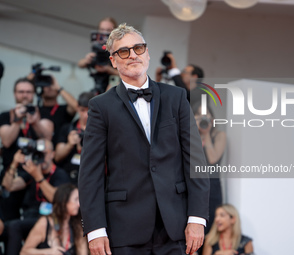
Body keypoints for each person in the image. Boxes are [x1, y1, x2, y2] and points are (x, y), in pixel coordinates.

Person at [78, 23, 210, 255]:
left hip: (176, 226)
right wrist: (95, 230)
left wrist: (197, 217)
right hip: (123, 227)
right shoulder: (100, 106)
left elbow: (196, 161)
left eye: (138, 48)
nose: (132, 55)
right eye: (123, 51)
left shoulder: (176, 97)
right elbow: (90, 173)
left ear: (147, 53)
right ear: (113, 60)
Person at [2, 139, 70, 255]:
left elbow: (57, 198)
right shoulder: (33, 170)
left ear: (52, 154)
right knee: (7, 227)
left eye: (44, 153)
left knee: (15, 226)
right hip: (31, 215)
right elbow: (9, 186)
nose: (41, 157)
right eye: (37, 153)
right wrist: (14, 163)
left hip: (52, 218)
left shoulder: (59, 174)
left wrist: (38, 177)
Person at [0, 77, 53, 222]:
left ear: (34, 94)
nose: (25, 95)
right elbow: (6, 141)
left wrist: (35, 122)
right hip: (12, 171)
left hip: (36, 173)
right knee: (9, 220)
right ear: (14, 94)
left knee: (33, 220)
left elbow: (48, 137)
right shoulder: (6, 116)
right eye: (21, 92)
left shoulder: (42, 113)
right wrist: (17, 119)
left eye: (29, 92)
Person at [20, 183, 88, 255]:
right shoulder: (44, 223)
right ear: (64, 201)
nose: (79, 204)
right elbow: (24, 252)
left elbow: (83, 252)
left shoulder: (77, 224)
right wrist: (48, 252)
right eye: (75, 199)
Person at [192, 102, 226, 235]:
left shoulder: (219, 135)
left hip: (212, 186)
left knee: (210, 226)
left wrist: (206, 134)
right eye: (198, 115)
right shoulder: (189, 136)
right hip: (193, 184)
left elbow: (212, 159)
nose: (202, 118)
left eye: (205, 115)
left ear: (212, 118)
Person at [54, 92, 95, 185]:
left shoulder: (102, 130)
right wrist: (69, 144)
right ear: (77, 108)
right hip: (68, 179)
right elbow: (57, 157)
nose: (86, 115)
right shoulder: (68, 128)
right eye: (82, 110)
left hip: (92, 179)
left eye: (89, 110)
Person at [78, 17, 119, 93]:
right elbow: (80, 64)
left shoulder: (119, 48)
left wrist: (109, 70)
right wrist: (87, 60)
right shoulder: (96, 47)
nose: (104, 33)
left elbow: (127, 74)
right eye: (102, 30)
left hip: (115, 88)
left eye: (108, 30)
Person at [37, 76, 78, 146]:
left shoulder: (64, 109)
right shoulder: (36, 111)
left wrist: (59, 88)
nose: (49, 87)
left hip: (61, 150)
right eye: (46, 85)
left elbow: (76, 107)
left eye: (51, 85)